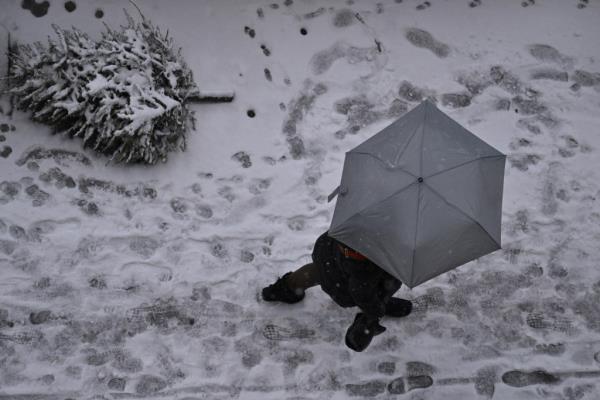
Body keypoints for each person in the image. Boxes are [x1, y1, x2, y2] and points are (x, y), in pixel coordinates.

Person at [261, 231, 412, 352]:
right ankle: (373, 311)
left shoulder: (366, 217)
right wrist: (376, 311)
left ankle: (286, 288)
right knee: (376, 288)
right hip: (352, 273)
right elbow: (361, 292)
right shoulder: (370, 266)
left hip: (330, 245)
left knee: (321, 270)